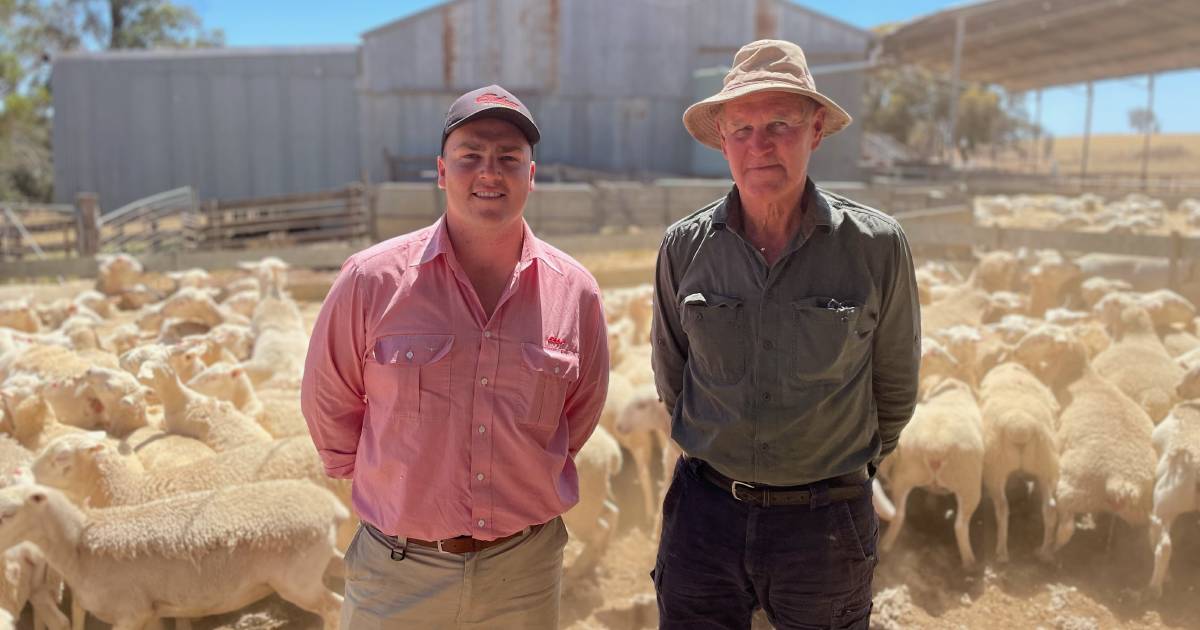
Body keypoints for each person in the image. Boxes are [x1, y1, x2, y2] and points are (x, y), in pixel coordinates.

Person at [301, 84, 609, 629]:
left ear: (530, 177)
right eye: (471, 156)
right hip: (399, 571)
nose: (489, 172)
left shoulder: (575, 292)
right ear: (442, 171)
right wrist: (393, 492)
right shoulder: (371, 280)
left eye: (508, 159)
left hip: (524, 571)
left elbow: (578, 414)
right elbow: (330, 400)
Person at [650, 40, 921, 629]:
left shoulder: (875, 247)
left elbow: (895, 387)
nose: (760, 144)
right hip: (705, 516)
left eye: (780, 123)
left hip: (824, 526)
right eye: (741, 128)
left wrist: (842, 472)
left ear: (816, 129)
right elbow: (673, 378)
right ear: (721, 139)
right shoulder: (684, 248)